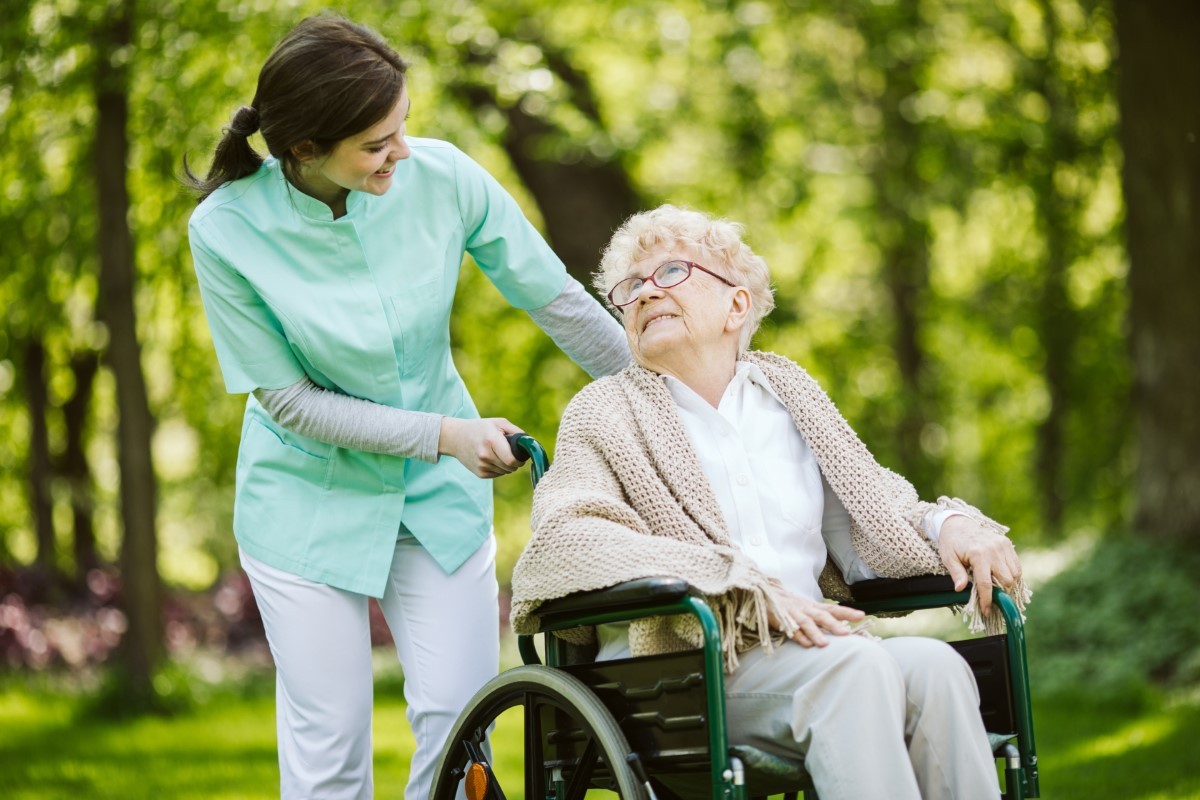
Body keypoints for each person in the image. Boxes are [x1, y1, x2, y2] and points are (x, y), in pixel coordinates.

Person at [184, 15, 630, 800]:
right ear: (305, 150)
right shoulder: (225, 231)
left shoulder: (444, 178)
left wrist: (668, 389)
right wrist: (445, 436)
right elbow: (289, 402)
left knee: (462, 732)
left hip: (436, 496)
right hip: (305, 502)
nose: (403, 154)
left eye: (403, 129)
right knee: (332, 749)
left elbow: (555, 298)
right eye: (376, 144)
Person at [511, 205, 1031, 800]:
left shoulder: (789, 395)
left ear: (737, 306)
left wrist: (950, 523)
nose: (646, 294)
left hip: (812, 655)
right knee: (856, 671)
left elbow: (876, 512)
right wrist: (730, 580)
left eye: (671, 273)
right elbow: (565, 540)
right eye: (630, 288)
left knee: (938, 671)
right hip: (684, 672)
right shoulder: (604, 411)